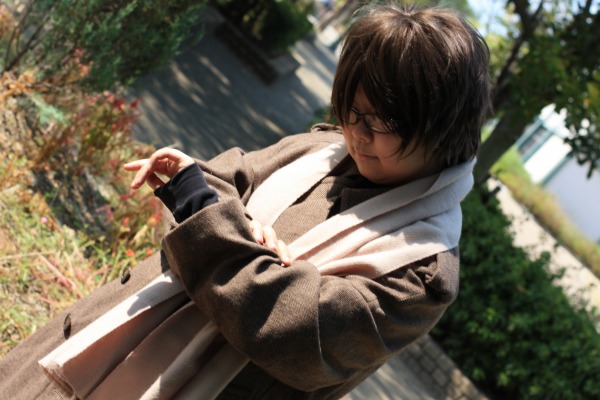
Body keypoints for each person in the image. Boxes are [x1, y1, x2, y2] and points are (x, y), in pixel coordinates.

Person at [0, 2, 492, 399]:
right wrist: (234, 229)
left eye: (382, 122)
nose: (358, 133)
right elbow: (216, 179)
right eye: (353, 110)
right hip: (102, 339)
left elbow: (291, 329)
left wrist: (212, 219)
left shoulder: (420, 270)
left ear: (442, 130)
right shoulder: (321, 148)